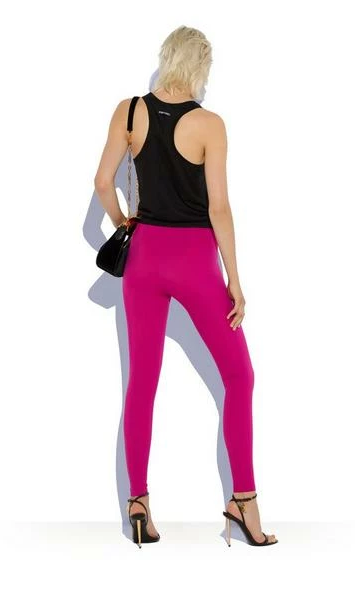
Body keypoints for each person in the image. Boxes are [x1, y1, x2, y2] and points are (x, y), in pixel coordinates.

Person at [94, 26, 277, 547]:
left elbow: (103, 182)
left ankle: (137, 504)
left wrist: (125, 224)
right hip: (195, 262)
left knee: (141, 383)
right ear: (200, 68)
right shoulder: (209, 125)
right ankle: (243, 503)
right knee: (239, 376)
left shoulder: (129, 111)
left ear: (166, 57)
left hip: (144, 260)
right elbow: (219, 207)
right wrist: (235, 280)